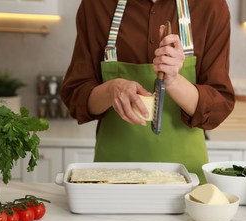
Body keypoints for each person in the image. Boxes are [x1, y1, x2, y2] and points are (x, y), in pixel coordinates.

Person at [61, 0, 235, 184]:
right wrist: (112, 89)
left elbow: (218, 107)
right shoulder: (96, 5)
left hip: (185, 179)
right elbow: (76, 96)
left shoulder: (210, 5)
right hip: (112, 179)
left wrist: (174, 81)